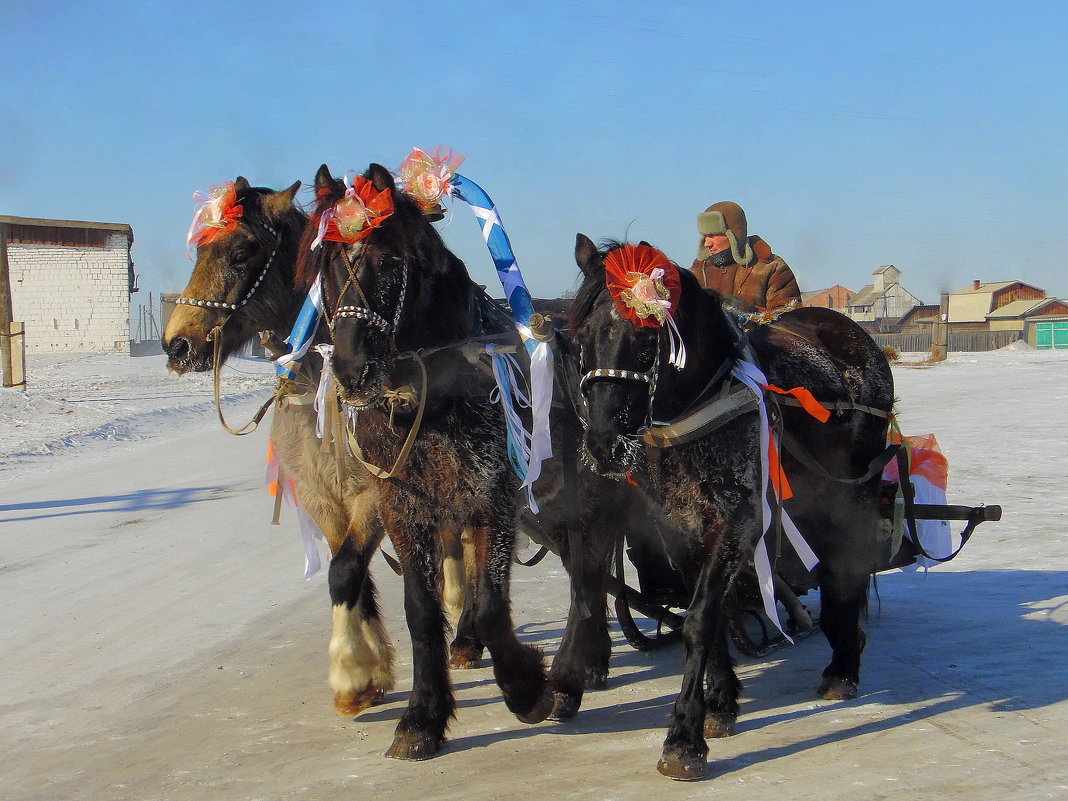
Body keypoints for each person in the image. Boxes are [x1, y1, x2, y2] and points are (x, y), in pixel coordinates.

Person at [690, 201, 801, 313]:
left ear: (734, 234)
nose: (707, 243)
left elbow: (791, 319)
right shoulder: (696, 272)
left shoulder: (772, 267)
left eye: (713, 235)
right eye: (705, 236)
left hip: (757, 330)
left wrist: (750, 311)